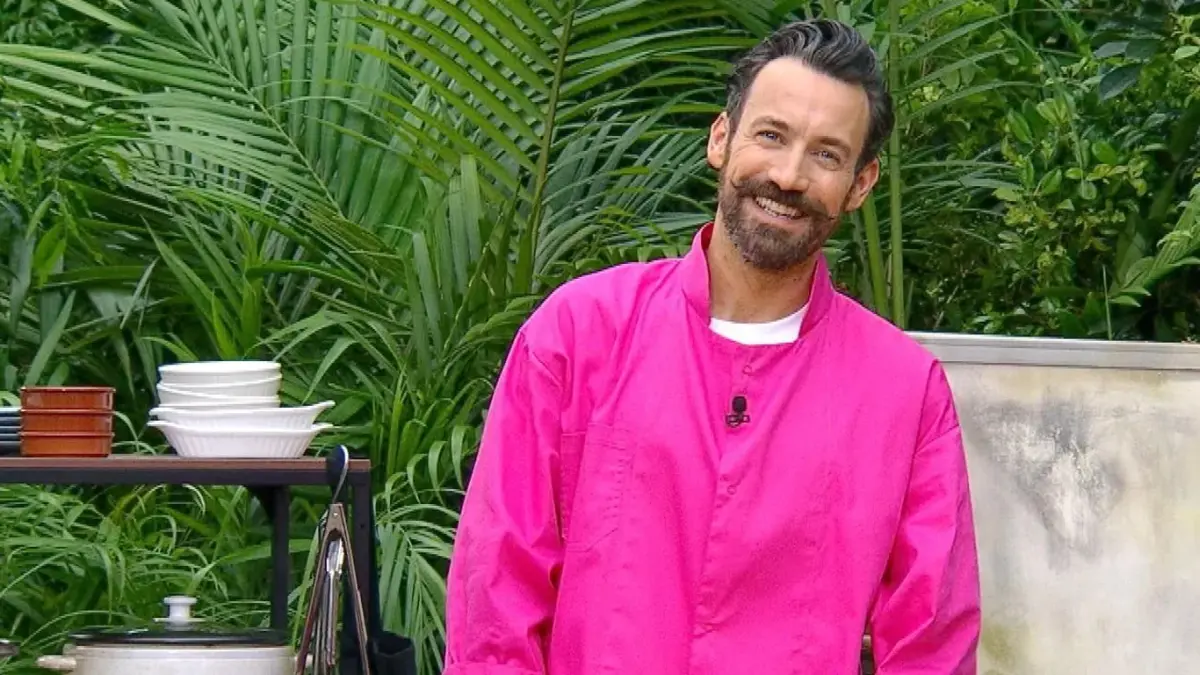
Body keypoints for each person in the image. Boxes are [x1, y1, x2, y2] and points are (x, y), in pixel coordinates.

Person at [443, 18, 981, 675]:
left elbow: (931, 645)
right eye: (771, 135)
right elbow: (497, 599)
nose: (788, 175)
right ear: (721, 138)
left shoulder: (904, 392)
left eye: (826, 155)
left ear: (860, 184)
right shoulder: (580, 333)